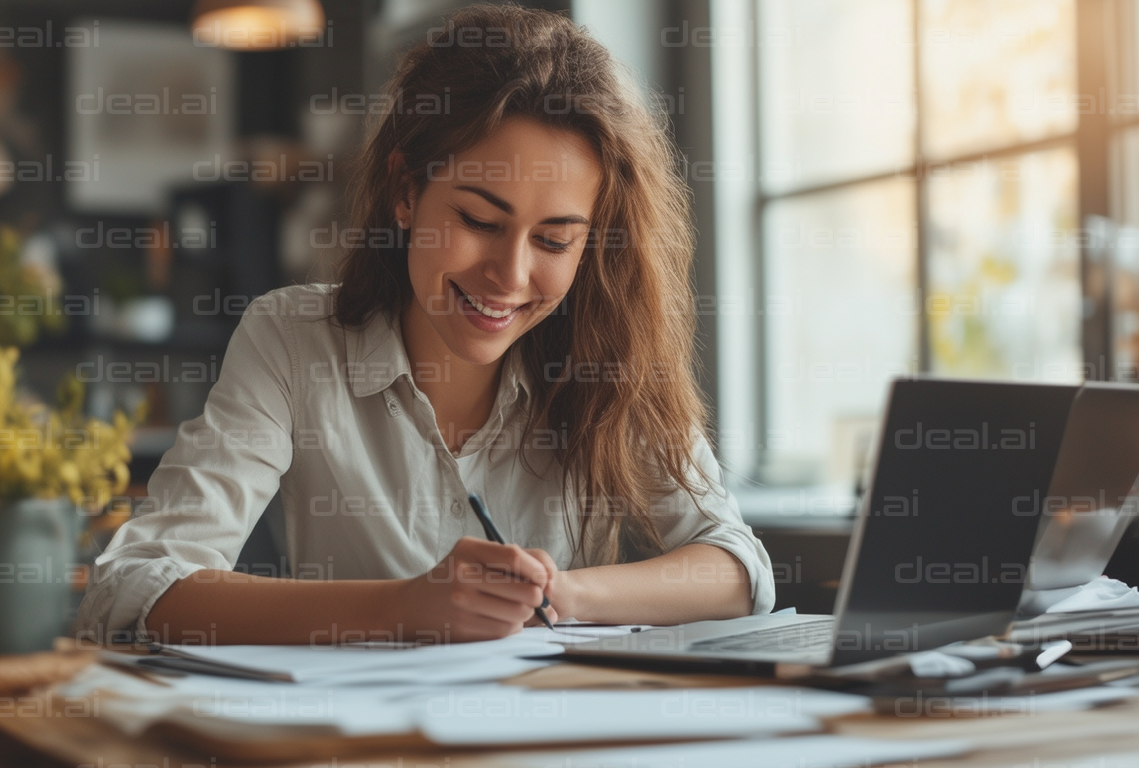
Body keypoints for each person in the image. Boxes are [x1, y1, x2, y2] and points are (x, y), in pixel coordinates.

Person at [75, 3, 774, 646]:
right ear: (406, 191)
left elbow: (738, 570)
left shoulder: (607, 355)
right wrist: (398, 607)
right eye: (477, 220)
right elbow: (133, 585)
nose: (510, 274)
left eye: (555, 241)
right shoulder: (293, 339)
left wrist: (564, 592)